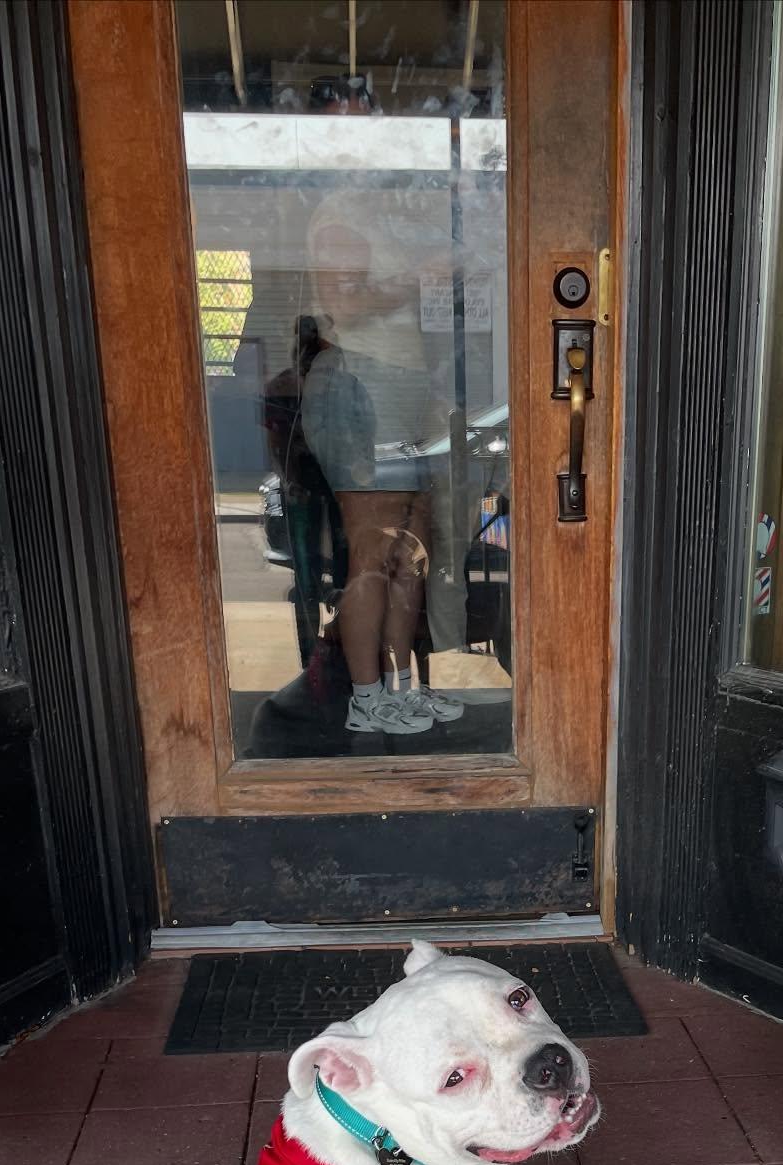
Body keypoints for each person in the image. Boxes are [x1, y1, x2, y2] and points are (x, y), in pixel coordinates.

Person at [299, 81, 465, 739]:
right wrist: (420, 278)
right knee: (373, 553)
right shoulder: (338, 216)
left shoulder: (380, 213)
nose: (362, 143)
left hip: (399, 388)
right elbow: (347, 306)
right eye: (344, 130)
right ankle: (367, 698)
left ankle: (401, 689)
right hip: (362, 387)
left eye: (370, 127)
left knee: (410, 554)